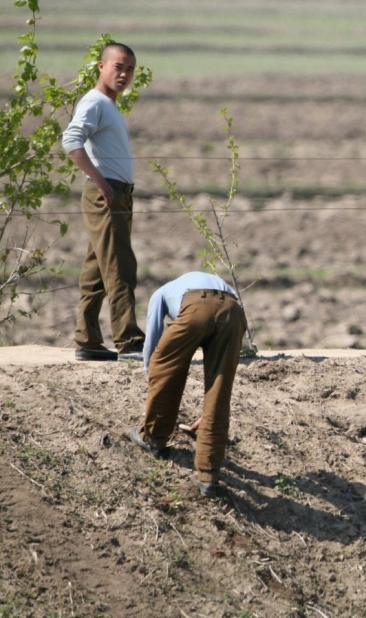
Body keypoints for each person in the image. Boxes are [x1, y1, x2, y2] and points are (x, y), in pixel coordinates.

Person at [129, 272, 247, 498]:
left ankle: (154, 438)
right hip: (233, 310)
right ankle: (208, 476)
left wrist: (150, 371)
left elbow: (152, 341)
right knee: (219, 392)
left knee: (165, 366)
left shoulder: (160, 293)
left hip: (196, 307)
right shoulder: (212, 280)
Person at [62, 42, 145, 362]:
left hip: (115, 192)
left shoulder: (109, 105)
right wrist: (100, 183)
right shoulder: (95, 102)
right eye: (118, 67)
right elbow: (71, 142)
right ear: (101, 67)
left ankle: (88, 340)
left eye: (130, 69)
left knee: (97, 270)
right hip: (106, 193)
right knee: (120, 267)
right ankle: (129, 340)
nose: (124, 74)